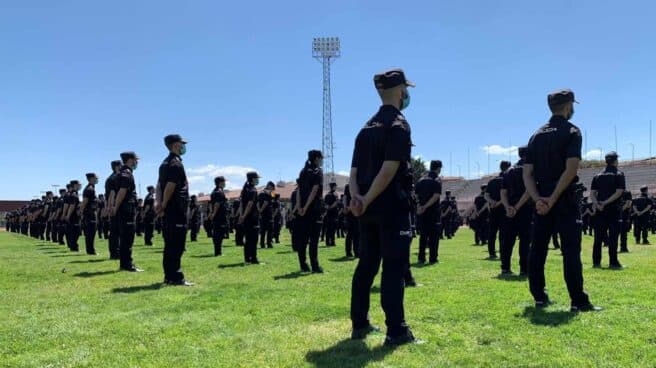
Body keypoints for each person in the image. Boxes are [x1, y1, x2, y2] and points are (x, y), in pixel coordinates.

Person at [349, 68, 419, 345]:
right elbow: (389, 170)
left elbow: (353, 173)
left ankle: (360, 323)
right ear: (401, 91)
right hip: (390, 207)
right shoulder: (398, 124)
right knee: (393, 267)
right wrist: (365, 199)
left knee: (366, 265)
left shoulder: (365, 128)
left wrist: (358, 199)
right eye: (406, 89)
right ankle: (397, 330)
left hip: (367, 210)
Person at [523, 88, 600, 312]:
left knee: (537, 249)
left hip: (541, 200)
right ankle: (578, 300)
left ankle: (539, 296)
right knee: (570, 251)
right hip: (564, 198)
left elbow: (527, 173)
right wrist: (554, 198)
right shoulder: (572, 131)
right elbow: (571, 168)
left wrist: (539, 200)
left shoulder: (536, 135)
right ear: (568, 106)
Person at [156, 135, 192, 285]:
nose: (184, 147)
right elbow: (170, 186)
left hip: (170, 209)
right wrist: (163, 204)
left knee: (170, 244)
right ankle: (176, 277)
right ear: (176, 145)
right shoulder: (175, 164)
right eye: (182, 144)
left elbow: (159, 186)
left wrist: (159, 203)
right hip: (176, 209)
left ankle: (169, 277)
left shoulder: (164, 163)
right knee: (176, 245)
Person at [589, 151, 625, 269]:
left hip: (600, 210)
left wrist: (598, 204)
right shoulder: (619, 174)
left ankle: (596, 262)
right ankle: (613, 262)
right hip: (613, 209)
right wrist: (605, 202)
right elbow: (619, 192)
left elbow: (592, 193)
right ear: (615, 161)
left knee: (598, 237)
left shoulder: (597, 175)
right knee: (613, 236)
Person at [499, 147, 532, 275]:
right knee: (525, 240)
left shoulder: (508, 171)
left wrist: (508, 207)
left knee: (508, 240)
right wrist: (518, 207)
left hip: (509, 210)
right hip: (525, 209)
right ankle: (524, 269)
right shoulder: (529, 170)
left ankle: (505, 267)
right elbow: (529, 191)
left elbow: (503, 192)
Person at [295, 150, 325, 273]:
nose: (322, 161)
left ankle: (303, 265)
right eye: (321, 158)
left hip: (302, 211)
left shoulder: (303, 171)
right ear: (317, 158)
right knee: (313, 240)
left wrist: (299, 207)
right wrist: (306, 207)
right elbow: (314, 191)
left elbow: (298, 191)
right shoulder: (318, 172)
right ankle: (315, 266)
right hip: (314, 209)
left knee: (303, 239)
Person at [113, 151, 143, 272]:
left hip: (125, 209)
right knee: (127, 238)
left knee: (126, 237)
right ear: (130, 160)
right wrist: (116, 207)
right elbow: (122, 192)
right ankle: (127, 264)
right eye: (136, 160)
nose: (137, 162)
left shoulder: (122, 173)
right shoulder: (126, 173)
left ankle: (125, 263)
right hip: (126, 210)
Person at [415, 160, 442, 264]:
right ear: (438, 168)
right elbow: (436, 196)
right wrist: (426, 206)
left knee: (423, 235)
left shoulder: (421, 180)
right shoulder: (437, 179)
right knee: (434, 236)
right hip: (433, 212)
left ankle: (421, 258)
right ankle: (433, 258)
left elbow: (416, 195)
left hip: (422, 212)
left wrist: (419, 206)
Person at [485, 161, 511, 259]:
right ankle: (502, 252)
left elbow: (486, 196)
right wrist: (499, 203)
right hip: (504, 209)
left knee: (492, 232)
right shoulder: (507, 179)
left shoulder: (492, 181)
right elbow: (506, 194)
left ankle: (491, 253)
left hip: (493, 210)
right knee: (503, 233)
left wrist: (492, 202)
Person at [238, 171, 262, 264]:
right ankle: (253, 259)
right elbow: (250, 204)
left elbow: (241, 204)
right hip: (252, 217)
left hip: (246, 218)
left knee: (248, 239)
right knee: (253, 239)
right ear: (252, 179)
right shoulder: (253, 190)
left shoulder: (245, 189)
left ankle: (247, 259)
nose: (257, 180)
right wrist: (243, 216)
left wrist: (242, 215)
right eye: (256, 179)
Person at [106, 160, 122, 260]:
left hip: (114, 207)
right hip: (115, 207)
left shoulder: (111, 178)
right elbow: (112, 194)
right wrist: (111, 207)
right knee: (115, 232)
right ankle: (115, 253)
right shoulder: (114, 178)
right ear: (117, 167)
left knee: (115, 232)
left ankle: (115, 252)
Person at [80, 173, 100, 255]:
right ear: (91, 179)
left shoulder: (91, 188)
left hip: (91, 212)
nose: (97, 179)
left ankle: (90, 249)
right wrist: (81, 212)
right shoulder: (89, 189)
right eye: (95, 178)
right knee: (90, 233)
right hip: (90, 213)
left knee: (91, 232)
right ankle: (91, 250)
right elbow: (85, 202)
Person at [209, 176, 228, 256]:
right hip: (219, 216)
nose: (225, 183)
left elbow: (210, 203)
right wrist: (213, 213)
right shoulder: (219, 192)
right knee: (219, 233)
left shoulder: (214, 191)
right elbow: (217, 204)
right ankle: (218, 252)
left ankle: (218, 251)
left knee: (218, 233)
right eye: (224, 182)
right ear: (220, 182)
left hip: (218, 215)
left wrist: (211, 212)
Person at [64, 180, 82, 252]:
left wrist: (65, 214)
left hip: (72, 216)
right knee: (75, 232)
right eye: (79, 184)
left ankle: (73, 247)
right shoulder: (74, 194)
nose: (80, 186)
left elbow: (66, 205)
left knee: (72, 232)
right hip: (74, 216)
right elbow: (72, 206)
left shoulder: (70, 194)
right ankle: (74, 247)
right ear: (75, 185)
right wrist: (68, 215)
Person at [343, 183, 359, 258]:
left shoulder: (357, 184)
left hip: (356, 210)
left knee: (356, 233)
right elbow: (345, 197)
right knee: (351, 233)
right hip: (351, 211)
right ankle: (349, 252)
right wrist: (345, 207)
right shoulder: (348, 186)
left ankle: (356, 252)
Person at [257, 181, 275, 248]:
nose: (272, 189)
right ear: (268, 186)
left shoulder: (270, 193)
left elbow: (257, 203)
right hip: (266, 213)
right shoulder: (263, 193)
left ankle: (263, 244)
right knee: (267, 229)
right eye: (272, 187)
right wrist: (260, 210)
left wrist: (259, 210)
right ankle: (268, 243)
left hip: (267, 213)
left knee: (264, 230)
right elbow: (265, 203)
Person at [323, 182, 339, 247]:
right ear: (333, 187)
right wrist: (331, 207)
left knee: (328, 228)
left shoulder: (327, 194)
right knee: (332, 229)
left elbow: (325, 204)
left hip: (328, 213)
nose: (336, 187)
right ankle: (332, 242)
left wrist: (328, 207)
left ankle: (327, 242)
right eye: (335, 186)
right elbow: (336, 202)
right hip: (333, 213)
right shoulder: (335, 194)